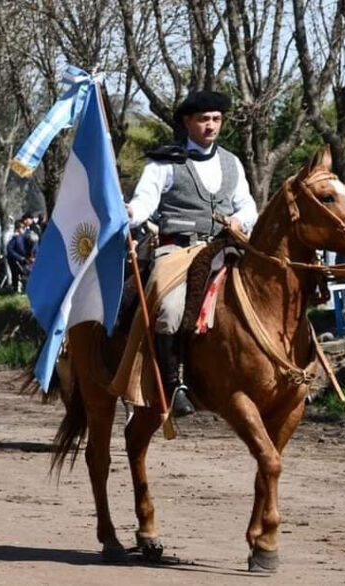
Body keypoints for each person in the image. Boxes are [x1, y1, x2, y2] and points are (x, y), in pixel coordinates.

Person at [126, 90, 258, 417]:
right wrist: (131, 212)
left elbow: (248, 205)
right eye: (203, 119)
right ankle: (172, 386)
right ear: (187, 122)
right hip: (178, 249)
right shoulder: (164, 162)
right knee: (169, 310)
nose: (211, 126)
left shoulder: (233, 162)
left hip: (226, 246)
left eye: (216, 119)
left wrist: (239, 220)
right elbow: (145, 202)